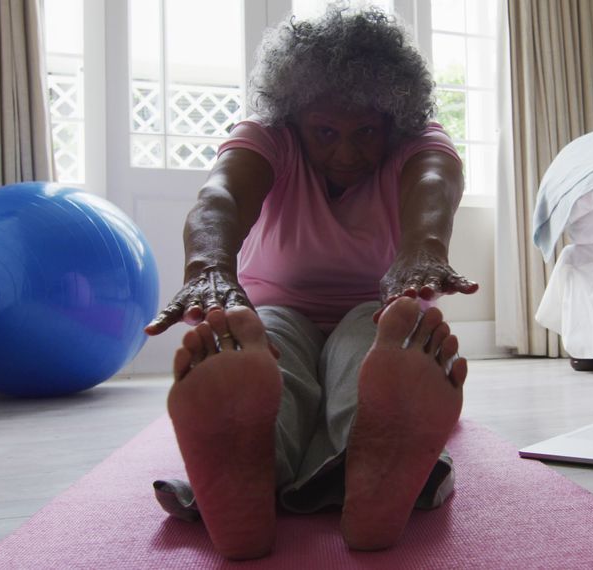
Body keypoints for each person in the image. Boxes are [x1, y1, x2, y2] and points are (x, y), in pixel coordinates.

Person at [143, 5, 479, 560]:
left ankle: (366, 461)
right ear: (294, 119)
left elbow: (436, 181)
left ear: (393, 119)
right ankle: (253, 465)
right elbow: (219, 196)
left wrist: (423, 249)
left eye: (366, 132)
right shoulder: (266, 137)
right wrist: (208, 268)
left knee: (366, 346)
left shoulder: (420, 140)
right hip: (277, 311)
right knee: (270, 351)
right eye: (325, 132)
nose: (345, 151)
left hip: (374, 308)